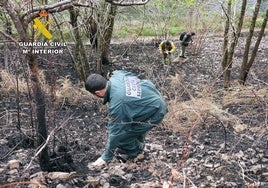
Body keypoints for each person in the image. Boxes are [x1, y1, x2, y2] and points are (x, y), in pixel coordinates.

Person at [85, 70, 168, 167]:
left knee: (122, 137)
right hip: (150, 94)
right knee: (131, 124)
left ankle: (136, 152)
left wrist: (106, 157)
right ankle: (138, 142)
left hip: (156, 111)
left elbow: (116, 133)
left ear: (97, 93)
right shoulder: (117, 76)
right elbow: (121, 72)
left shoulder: (119, 104)